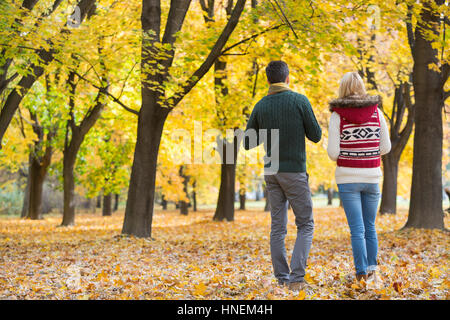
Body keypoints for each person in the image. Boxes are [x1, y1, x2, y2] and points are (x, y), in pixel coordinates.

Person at [244, 61, 322, 291]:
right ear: (287, 78)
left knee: (277, 227)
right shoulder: (299, 101)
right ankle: (296, 278)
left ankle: (282, 278)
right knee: (306, 224)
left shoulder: (261, 106)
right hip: (294, 172)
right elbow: (316, 135)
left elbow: (248, 142)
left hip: (271, 173)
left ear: (268, 80)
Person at [327, 71, 391, 283]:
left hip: (347, 178)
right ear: (362, 88)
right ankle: (373, 270)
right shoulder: (377, 113)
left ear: (343, 89)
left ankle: (361, 272)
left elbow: (333, 153)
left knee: (357, 229)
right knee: (370, 226)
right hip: (372, 176)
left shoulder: (337, 116)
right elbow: (386, 147)